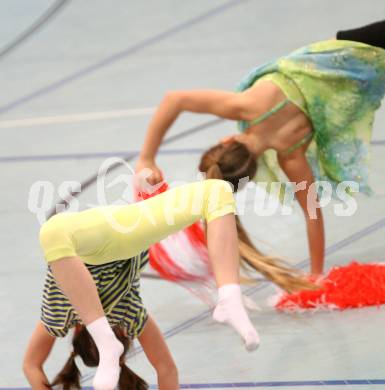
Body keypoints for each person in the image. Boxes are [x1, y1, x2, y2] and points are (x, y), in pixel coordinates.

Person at [135, 20, 385, 276]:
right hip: (354, 49)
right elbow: (175, 99)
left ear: (252, 173)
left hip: (372, 69)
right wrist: (147, 157)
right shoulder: (246, 105)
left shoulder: (291, 152)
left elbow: (313, 215)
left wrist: (316, 274)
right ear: (226, 142)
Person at [23, 180, 313, 390]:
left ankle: (230, 300)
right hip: (127, 231)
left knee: (53, 233)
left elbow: (167, 370)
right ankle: (229, 294)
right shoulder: (69, 315)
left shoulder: (126, 317)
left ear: (125, 335)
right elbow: (32, 365)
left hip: (116, 234)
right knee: (217, 191)